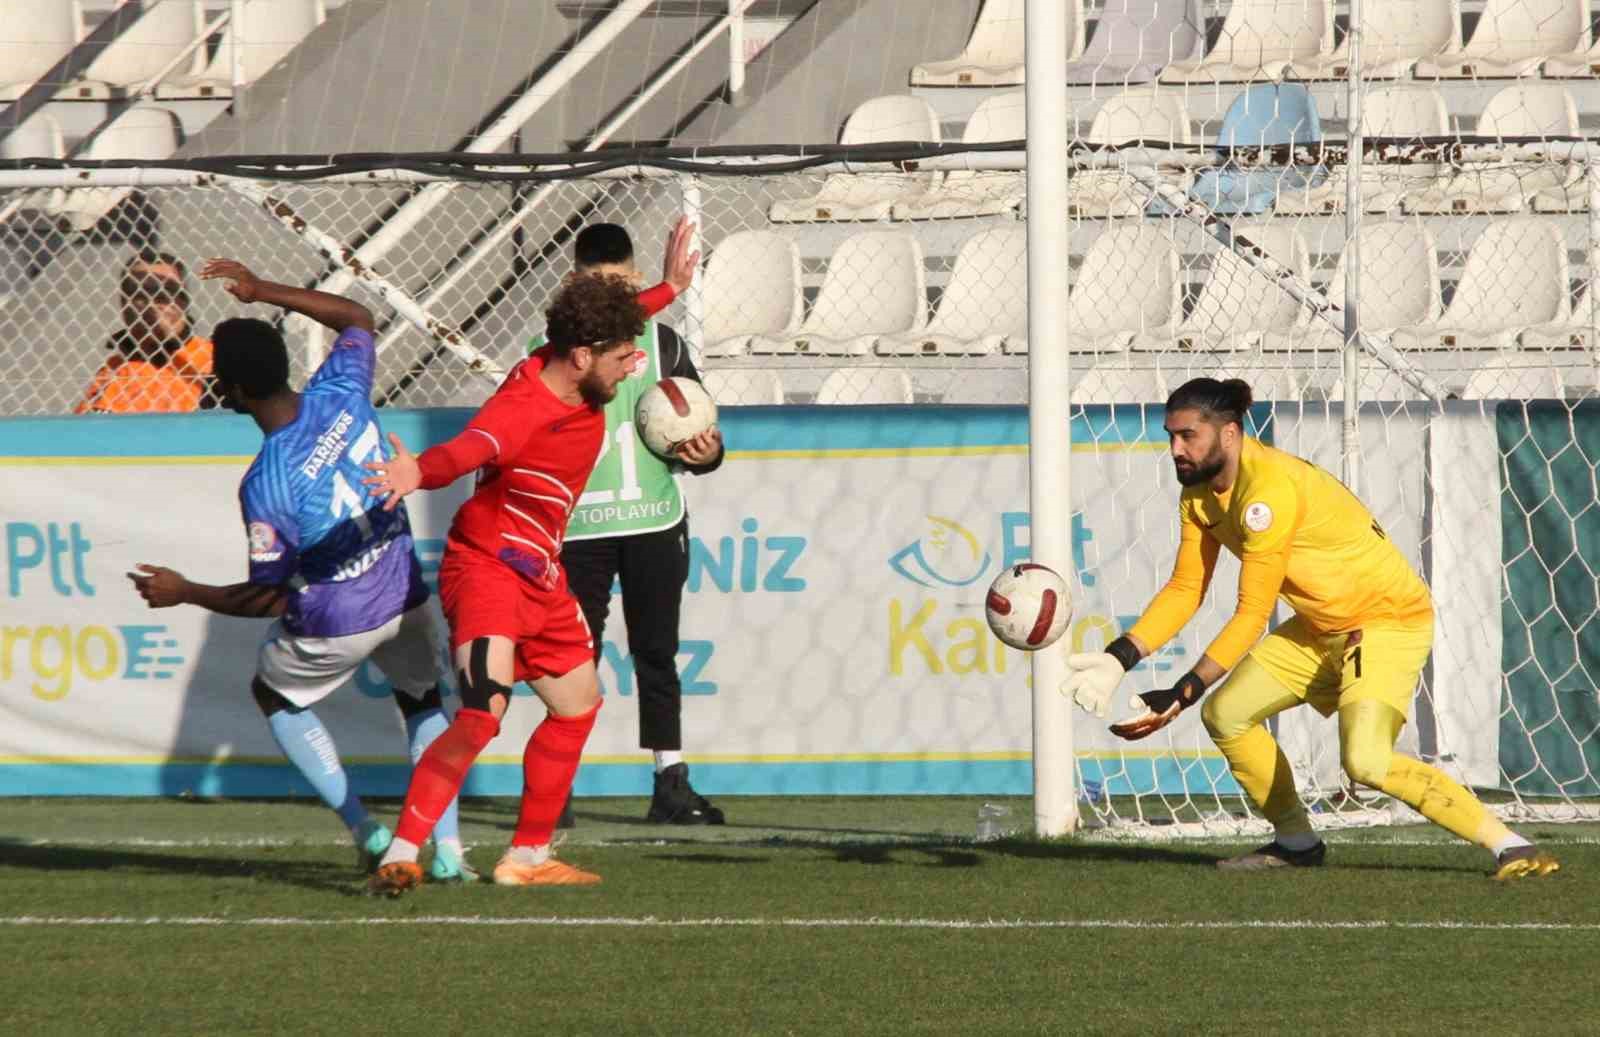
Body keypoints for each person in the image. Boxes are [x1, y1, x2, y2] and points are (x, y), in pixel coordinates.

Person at [1062, 377, 1560, 881]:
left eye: (1188, 435)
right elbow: (1186, 588)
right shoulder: (1197, 494)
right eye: (1170, 435)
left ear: (1229, 433)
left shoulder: (1268, 492)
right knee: (1227, 714)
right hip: (1321, 626)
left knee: (1364, 760)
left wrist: (1184, 688)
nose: (1175, 448)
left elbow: (1252, 614)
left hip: (1384, 621)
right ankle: (1296, 842)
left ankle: (1509, 844)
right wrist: (1118, 656)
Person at [127, 258, 473, 881]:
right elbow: (357, 317)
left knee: (273, 693)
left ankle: (365, 831)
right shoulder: (341, 388)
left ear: (231, 392)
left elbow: (267, 598)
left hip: (338, 615)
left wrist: (186, 592)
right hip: (405, 588)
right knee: (422, 701)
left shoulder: (267, 484)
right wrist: (264, 291)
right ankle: (448, 851)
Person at [362, 273, 647, 896]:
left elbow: (609, 325)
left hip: (541, 574)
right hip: (487, 569)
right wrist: (419, 472)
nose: (634, 367)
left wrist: (668, 290)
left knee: (577, 706)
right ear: (582, 356)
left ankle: (527, 856)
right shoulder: (521, 409)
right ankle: (402, 854)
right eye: (626, 356)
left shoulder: (573, 362)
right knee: (480, 717)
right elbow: (468, 448)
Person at [540, 222, 725, 826]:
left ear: (637, 282)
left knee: (656, 651)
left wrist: (706, 453)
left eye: (621, 287)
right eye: (597, 288)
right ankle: (554, 787)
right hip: (581, 528)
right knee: (572, 658)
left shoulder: (664, 345)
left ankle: (670, 781)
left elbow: (698, 423)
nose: (611, 300)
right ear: (573, 287)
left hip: (652, 519)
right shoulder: (555, 356)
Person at [77, 250, 217, 414]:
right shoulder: (114, 369)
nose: (155, 298)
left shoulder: (215, 360)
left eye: (168, 289)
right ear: (125, 303)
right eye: (141, 290)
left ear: (184, 300)